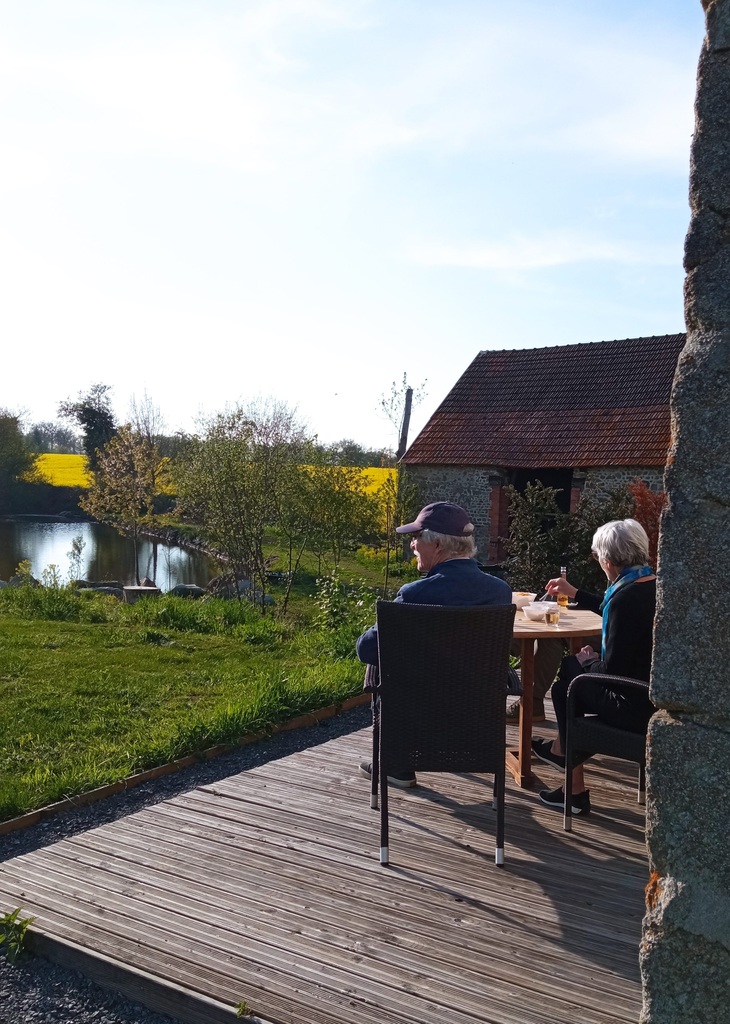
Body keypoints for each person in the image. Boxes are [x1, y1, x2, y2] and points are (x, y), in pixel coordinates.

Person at [356, 501, 512, 788]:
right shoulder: (500, 591)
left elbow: (366, 648)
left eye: (416, 538)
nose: (412, 545)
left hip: (421, 719)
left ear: (437, 545)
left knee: (376, 662)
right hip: (476, 722)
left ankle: (394, 763)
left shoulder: (417, 593)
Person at [531, 518, 656, 816]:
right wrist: (574, 592)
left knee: (567, 684)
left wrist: (589, 661)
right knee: (571, 669)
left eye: (598, 556)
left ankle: (569, 776)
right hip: (655, 698)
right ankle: (565, 763)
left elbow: (613, 671)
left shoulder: (624, 599)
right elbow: (615, 609)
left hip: (632, 705)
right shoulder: (650, 584)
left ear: (609, 561)